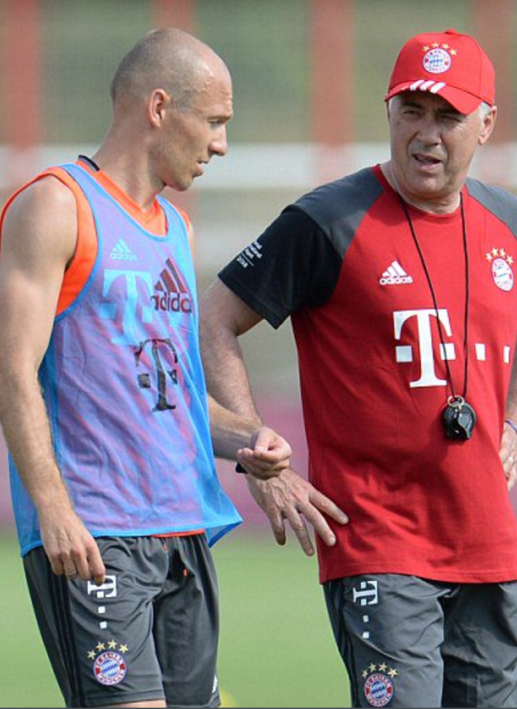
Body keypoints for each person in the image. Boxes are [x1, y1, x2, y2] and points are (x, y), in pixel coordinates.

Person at [201, 28, 517, 709]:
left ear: (485, 123)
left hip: (488, 541)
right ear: (388, 112)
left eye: (448, 116)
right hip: (377, 541)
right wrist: (254, 453)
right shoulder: (325, 220)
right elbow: (216, 318)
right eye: (412, 111)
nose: (427, 134)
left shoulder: (511, 224)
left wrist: (514, 428)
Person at [0, 28, 292, 709]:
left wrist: (248, 442)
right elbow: (13, 370)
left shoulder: (175, 230)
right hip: (95, 534)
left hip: (182, 534)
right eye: (214, 121)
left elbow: (177, 398)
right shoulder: (56, 205)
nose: (220, 143)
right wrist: (52, 507)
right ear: (159, 106)